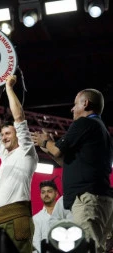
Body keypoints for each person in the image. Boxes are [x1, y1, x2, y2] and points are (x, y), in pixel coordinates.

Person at [31, 88, 113, 253]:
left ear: (85, 103)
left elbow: (57, 151)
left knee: (88, 249)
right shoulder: (102, 130)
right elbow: (66, 160)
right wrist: (50, 148)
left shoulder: (84, 122)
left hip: (87, 200)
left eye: (75, 104)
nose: (72, 109)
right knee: (98, 249)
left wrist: (45, 142)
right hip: (102, 200)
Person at [0, 75, 38, 253]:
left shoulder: (26, 151)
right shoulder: (5, 154)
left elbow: (19, 117)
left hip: (17, 218)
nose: (4, 138)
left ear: (17, 134)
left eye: (8, 133)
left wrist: (8, 88)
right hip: (1, 219)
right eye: (4, 135)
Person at [32, 179, 59, 253]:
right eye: (43, 192)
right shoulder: (36, 218)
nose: (46, 194)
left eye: (49, 191)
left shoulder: (65, 213)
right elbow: (36, 242)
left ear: (56, 194)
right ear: (40, 195)